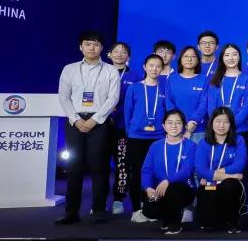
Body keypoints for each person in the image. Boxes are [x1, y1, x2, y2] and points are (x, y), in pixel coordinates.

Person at [56, 31, 121, 224]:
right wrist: (75, 119)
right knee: (74, 167)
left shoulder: (110, 70)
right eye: (88, 44)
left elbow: (113, 98)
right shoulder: (69, 69)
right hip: (75, 121)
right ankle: (71, 212)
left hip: (99, 122)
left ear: (102, 48)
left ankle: (99, 210)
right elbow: (63, 97)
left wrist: (95, 119)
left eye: (96, 44)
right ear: (80, 47)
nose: (92, 48)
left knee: (99, 167)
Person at [122, 53, 168, 221]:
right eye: (151, 65)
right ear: (144, 67)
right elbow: (127, 113)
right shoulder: (134, 88)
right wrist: (131, 132)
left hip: (158, 137)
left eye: (158, 66)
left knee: (156, 173)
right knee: (137, 173)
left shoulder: (165, 89)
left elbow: (168, 111)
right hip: (137, 138)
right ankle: (136, 210)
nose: (154, 69)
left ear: (162, 69)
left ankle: (151, 209)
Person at [194, 44, 248, 168]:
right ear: (222, 58)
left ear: (239, 57)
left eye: (234, 54)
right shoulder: (214, 80)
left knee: (242, 168)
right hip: (218, 132)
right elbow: (211, 108)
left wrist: (230, 124)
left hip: (240, 130)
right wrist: (220, 125)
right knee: (217, 166)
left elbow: (247, 106)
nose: (231, 58)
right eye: (227, 55)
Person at [140, 109, 196, 234]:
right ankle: (168, 217)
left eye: (178, 122)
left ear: (184, 125)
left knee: (173, 190)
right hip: (159, 189)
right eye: (170, 122)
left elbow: (187, 171)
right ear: (163, 126)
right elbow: (147, 170)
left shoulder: (191, 146)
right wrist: (148, 188)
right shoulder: (155, 146)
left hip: (183, 189)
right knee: (148, 209)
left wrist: (167, 181)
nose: (174, 126)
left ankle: (175, 224)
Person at [193, 106, 247, 233]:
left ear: (231, 124)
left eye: (226, 122)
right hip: (210, 184)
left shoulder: (239, 140)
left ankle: (233, 221)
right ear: (211, 123)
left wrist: (212, 174)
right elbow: (201, 170)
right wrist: (231, 175)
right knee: (206, 216)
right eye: (218, 121)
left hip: (224, 183)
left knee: (229, 186)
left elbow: (239, 165)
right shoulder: (203, 143)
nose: (221, 125)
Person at [107, 41, 141, 216]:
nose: (120, 54)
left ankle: (118, 199)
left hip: (122, 127)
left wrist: (116, 115)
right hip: (100, 125)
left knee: (122, 165)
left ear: (129, 56)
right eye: (116, 51)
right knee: (99, 164)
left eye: (124, 51)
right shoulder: (101, 72)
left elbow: (134, 103)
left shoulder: (135, 77)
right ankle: (99, 202)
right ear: (109, 54)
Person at [166, 46, 208, 141]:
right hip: (175, 129)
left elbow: (204, 103)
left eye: (193, 56)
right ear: (180, 59)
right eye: (186, 56)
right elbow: (169, 103)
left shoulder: (204, 79)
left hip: (199, 130)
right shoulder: (171, 80)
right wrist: (177, 122)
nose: (189, 59)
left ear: (198, 60)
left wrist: (194, 120)